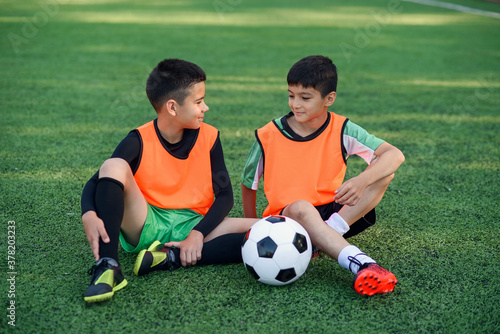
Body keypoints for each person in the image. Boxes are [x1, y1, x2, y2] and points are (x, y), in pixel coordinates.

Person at [81, 58, 257, 303]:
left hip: (194, 222)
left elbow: (225, 196)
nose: (205, 107)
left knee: (260, 230)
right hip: (145, 222)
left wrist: (197, 232)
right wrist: (88, 213)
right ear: (172, 107)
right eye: (198, 102)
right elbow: (96, 181)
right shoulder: (138, 139)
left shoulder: (209, 137)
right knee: (113, 165)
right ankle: (108, 265)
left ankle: (168, 258)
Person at [240, 55, 405, 296]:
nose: (296, 104)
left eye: (305, 98)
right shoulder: (268, 133)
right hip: (289, 218)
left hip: (337, 214)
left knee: (382, 172)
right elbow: (248, 185)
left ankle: (327, 234)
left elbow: (395, 155)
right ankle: (363, 264)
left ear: (329, 99)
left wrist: (361, 180)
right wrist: (253, 228)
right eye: (291, 95)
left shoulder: (343, 128)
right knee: (302, 208)